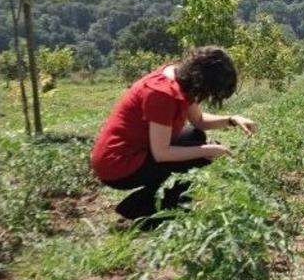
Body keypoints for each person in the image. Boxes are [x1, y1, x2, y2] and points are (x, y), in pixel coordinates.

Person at [91, 46, 256, 224]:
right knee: (196, 157)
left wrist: (232, 119)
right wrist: (210, 150)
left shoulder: (181, 78)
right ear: (202, 82)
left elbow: (199, 120)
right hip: (117, 164)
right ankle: (140, 212)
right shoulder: (162, 94)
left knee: (195, 137)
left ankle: (162, 203)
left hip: (135, 151)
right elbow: (162, 153)